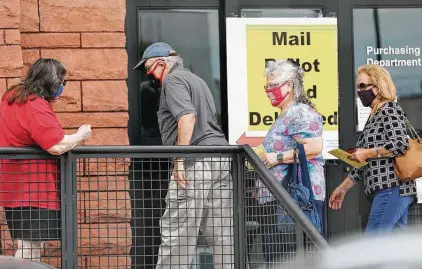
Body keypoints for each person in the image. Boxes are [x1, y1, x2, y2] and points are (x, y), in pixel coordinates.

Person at [134, 42, 233, 269]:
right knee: (223, 237)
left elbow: (187, 117)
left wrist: (179, 160)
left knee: (177, 235)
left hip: (195, 162)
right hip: (220, 158)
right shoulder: (197, 80)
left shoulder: (173, 80)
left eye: (149, 70)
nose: (150, 78)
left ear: (161, 63)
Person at [0, 58, 92, 261]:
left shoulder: (12, 97)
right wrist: (80, 135)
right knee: (29, 248)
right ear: (51, 82)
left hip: (15, 186)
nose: (62, 89)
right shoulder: (34, 105)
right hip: (33, 189)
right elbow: (56, 145)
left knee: (29, 245)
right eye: (61, 83)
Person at [329, 64, 416, 233]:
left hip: (392, 187)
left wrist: (367, 152)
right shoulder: (374, 115)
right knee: (391, 247)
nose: (359, 91)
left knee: (373, 241)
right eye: (358, 87)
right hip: (389, 190)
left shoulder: (389, 109)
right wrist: (343, 188)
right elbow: (364, 165)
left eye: (363, 86)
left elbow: (399, 144)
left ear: (378, 87)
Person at [258, 59, 325, 265]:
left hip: (293, 199)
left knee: (285, 258)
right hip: (282, 198)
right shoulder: (287, 114)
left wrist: (275, 157)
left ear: (289, 85)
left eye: (273, 85)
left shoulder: (300, 112)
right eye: (266, 86)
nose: (269, 90)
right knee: (277, 255)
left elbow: (313, 148)